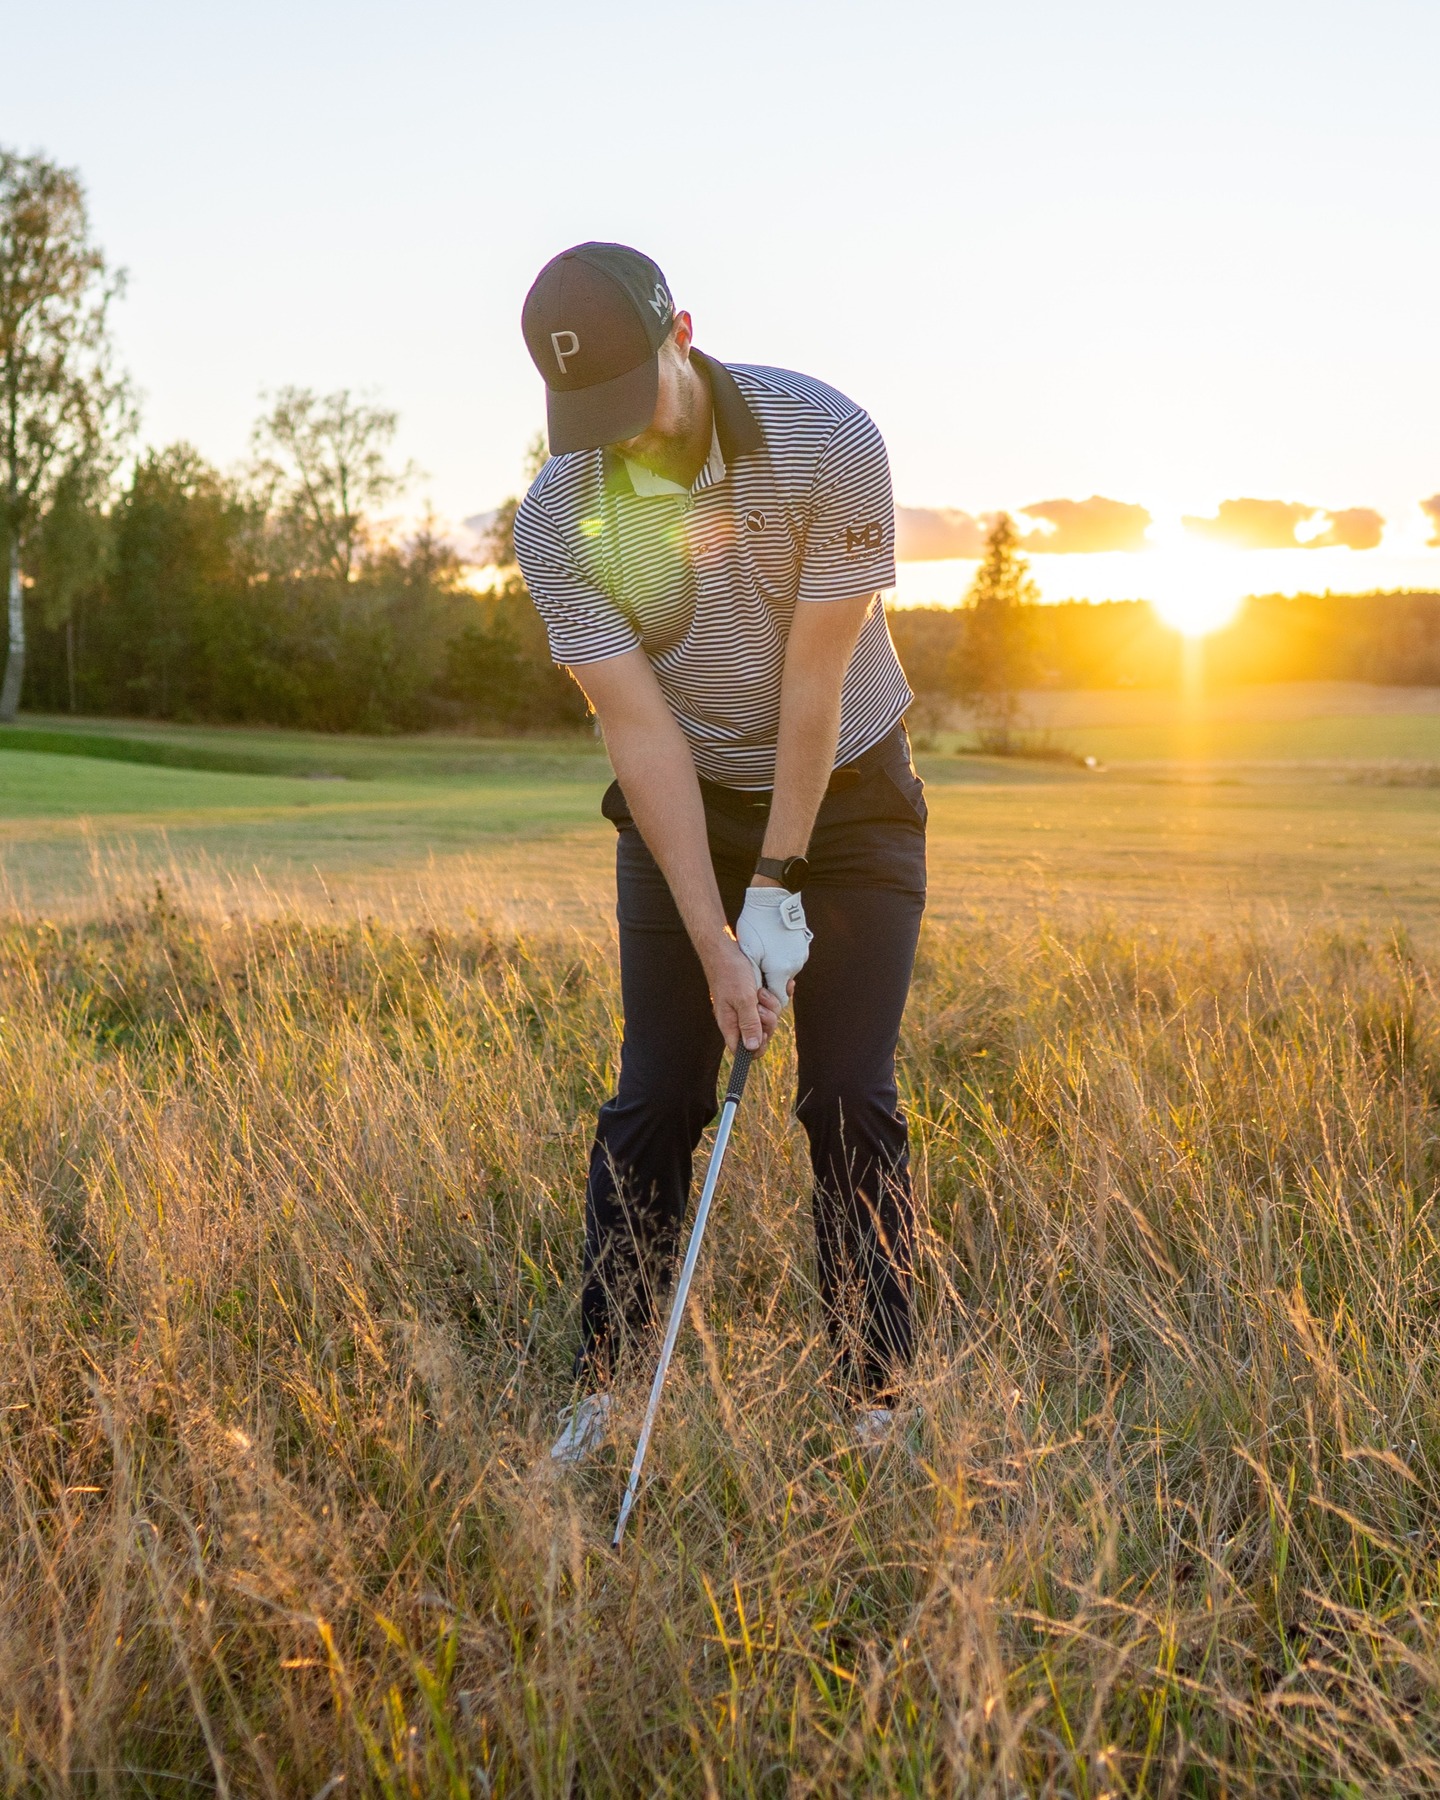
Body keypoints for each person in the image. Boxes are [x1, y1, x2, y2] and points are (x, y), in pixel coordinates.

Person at [513, 243, 927, 1462]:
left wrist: (777, 888)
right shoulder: (561, 509)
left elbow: (815, 684)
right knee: (659, 1097)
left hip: (847, 795)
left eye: (633, 402)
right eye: (587, 418)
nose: (621, 441)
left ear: (682, 334)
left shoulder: (830, 439)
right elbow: (637, 730)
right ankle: (603, 1390)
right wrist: (713, 935)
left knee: (848, 1097)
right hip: (686, 794)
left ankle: (875, 1398)